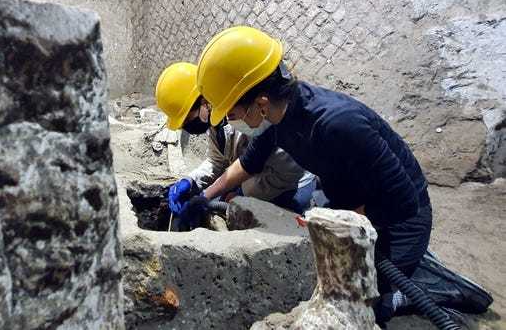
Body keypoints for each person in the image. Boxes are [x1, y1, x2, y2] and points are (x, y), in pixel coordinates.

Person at [194, 26, 490, 325]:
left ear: (260, 102)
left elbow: (404, 201)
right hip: (352, 201)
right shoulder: (279, 117)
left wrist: (336, 222)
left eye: (233, 112)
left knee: (359, 306)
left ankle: (428, 288)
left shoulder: (338, 124)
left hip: (400, 220)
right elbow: (248, 163)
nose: (232, 120)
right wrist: (204, 196)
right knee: (321, 273)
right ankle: (406, 266)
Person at [154, 62, 315, 230]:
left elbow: (286, 174)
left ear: (204, 101)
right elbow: (217, 161)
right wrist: (191, 180)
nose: (188, 126)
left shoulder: (253, 116)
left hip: (289, 186)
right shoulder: (215, 122)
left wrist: (241, 194)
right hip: (252, 177)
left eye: (188, 119)